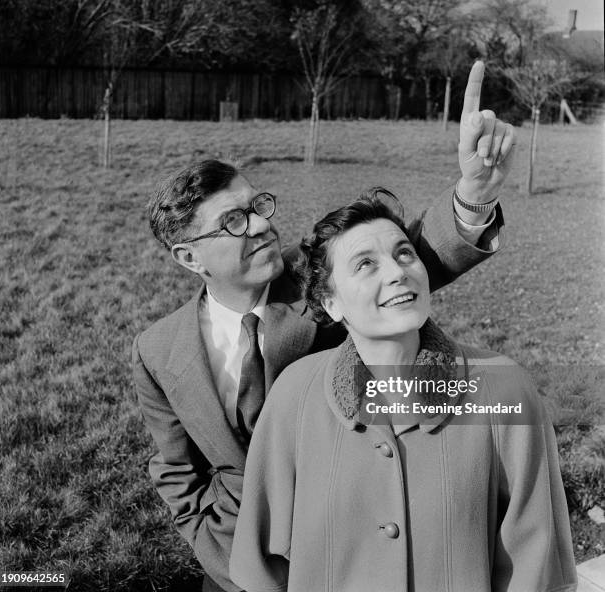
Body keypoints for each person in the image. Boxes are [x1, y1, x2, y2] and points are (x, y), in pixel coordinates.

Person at [132, 61, 514, 592]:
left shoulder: (319, 279)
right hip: (235, 561)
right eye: (235, 223)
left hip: (351, 545)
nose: (263, 224)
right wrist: (221, 553)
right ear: (189, 256)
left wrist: (473, 193)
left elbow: (413, 256)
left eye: (257, 206)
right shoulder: (156, 351)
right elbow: (176, 470)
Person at [229, 194, 577, 592]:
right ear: (331, 302)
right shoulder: (294, 394)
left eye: (405, 254)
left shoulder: (505, 388)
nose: (397, 272)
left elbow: (536, 563)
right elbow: (261, 566)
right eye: (366, 264)